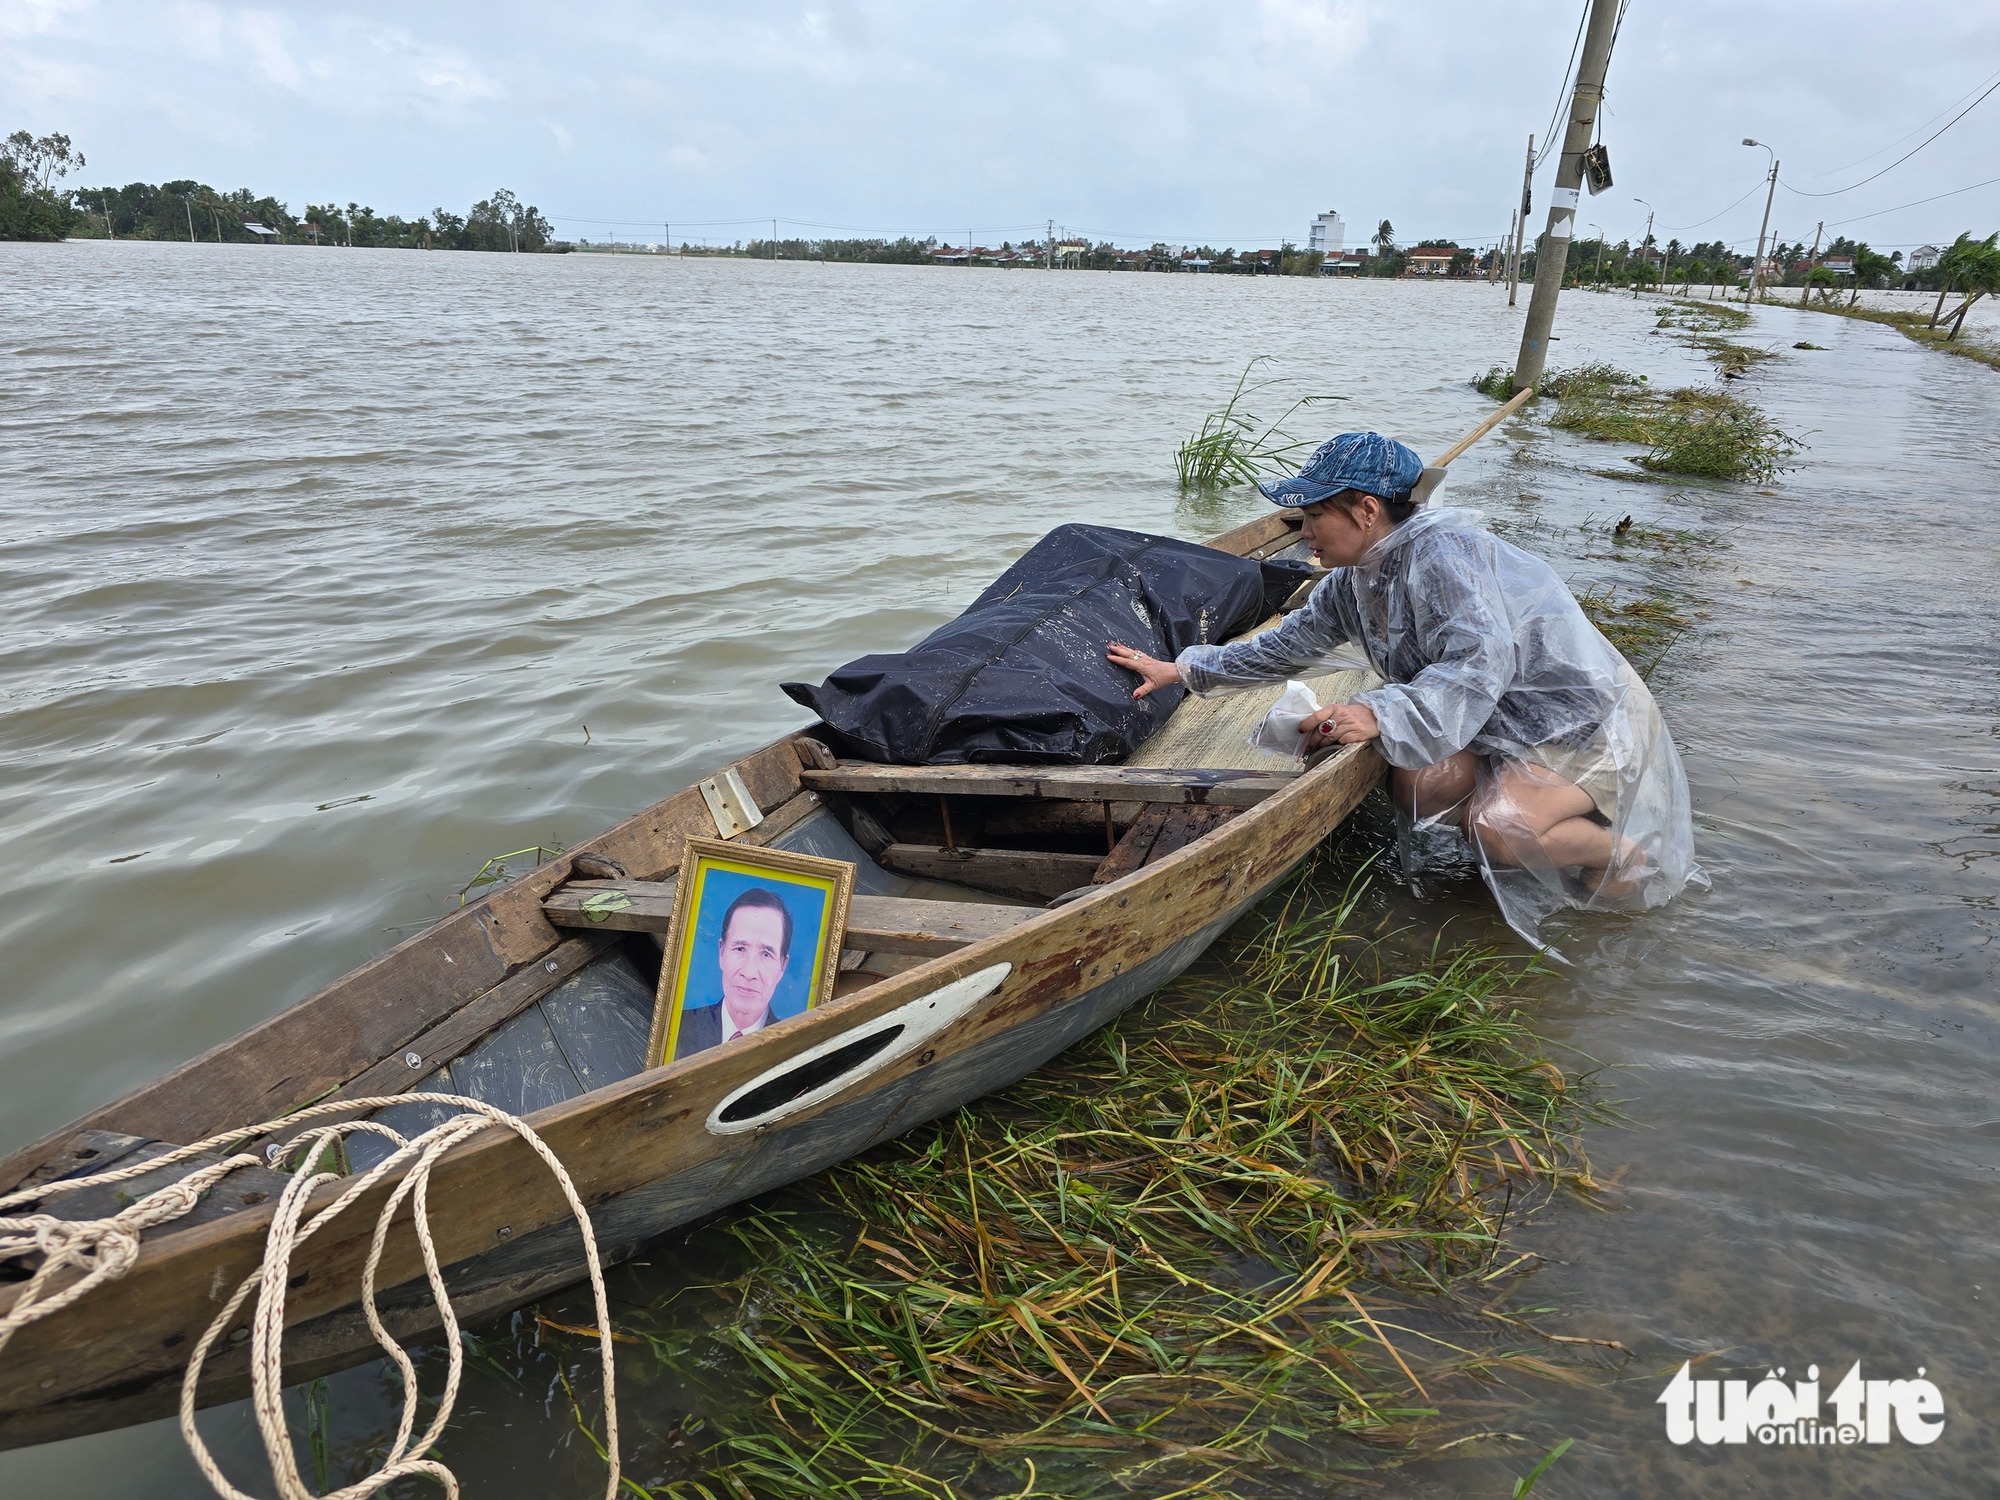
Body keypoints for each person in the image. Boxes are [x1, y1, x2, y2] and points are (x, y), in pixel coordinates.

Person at [1107, 430, 1703, 942]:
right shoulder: (1357, 576)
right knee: (1420, 784)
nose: (1304, 532)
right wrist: (1183, 670)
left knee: (1501, 827)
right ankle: (1537, 827)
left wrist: (1378, 712)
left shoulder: (1443, 556)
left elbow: (1477, 665)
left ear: (1366, 511)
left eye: (1314, 516)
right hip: (1496, 721)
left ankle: (1621, 854)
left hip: (1576, 725)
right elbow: (1289, 644)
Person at [675, 886, 793, 1059]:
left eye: (766, 954)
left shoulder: (795, 1048)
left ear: (783, 966)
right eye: (739, 948)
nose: (749, 973)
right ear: (721, 952)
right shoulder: (678, 1028)